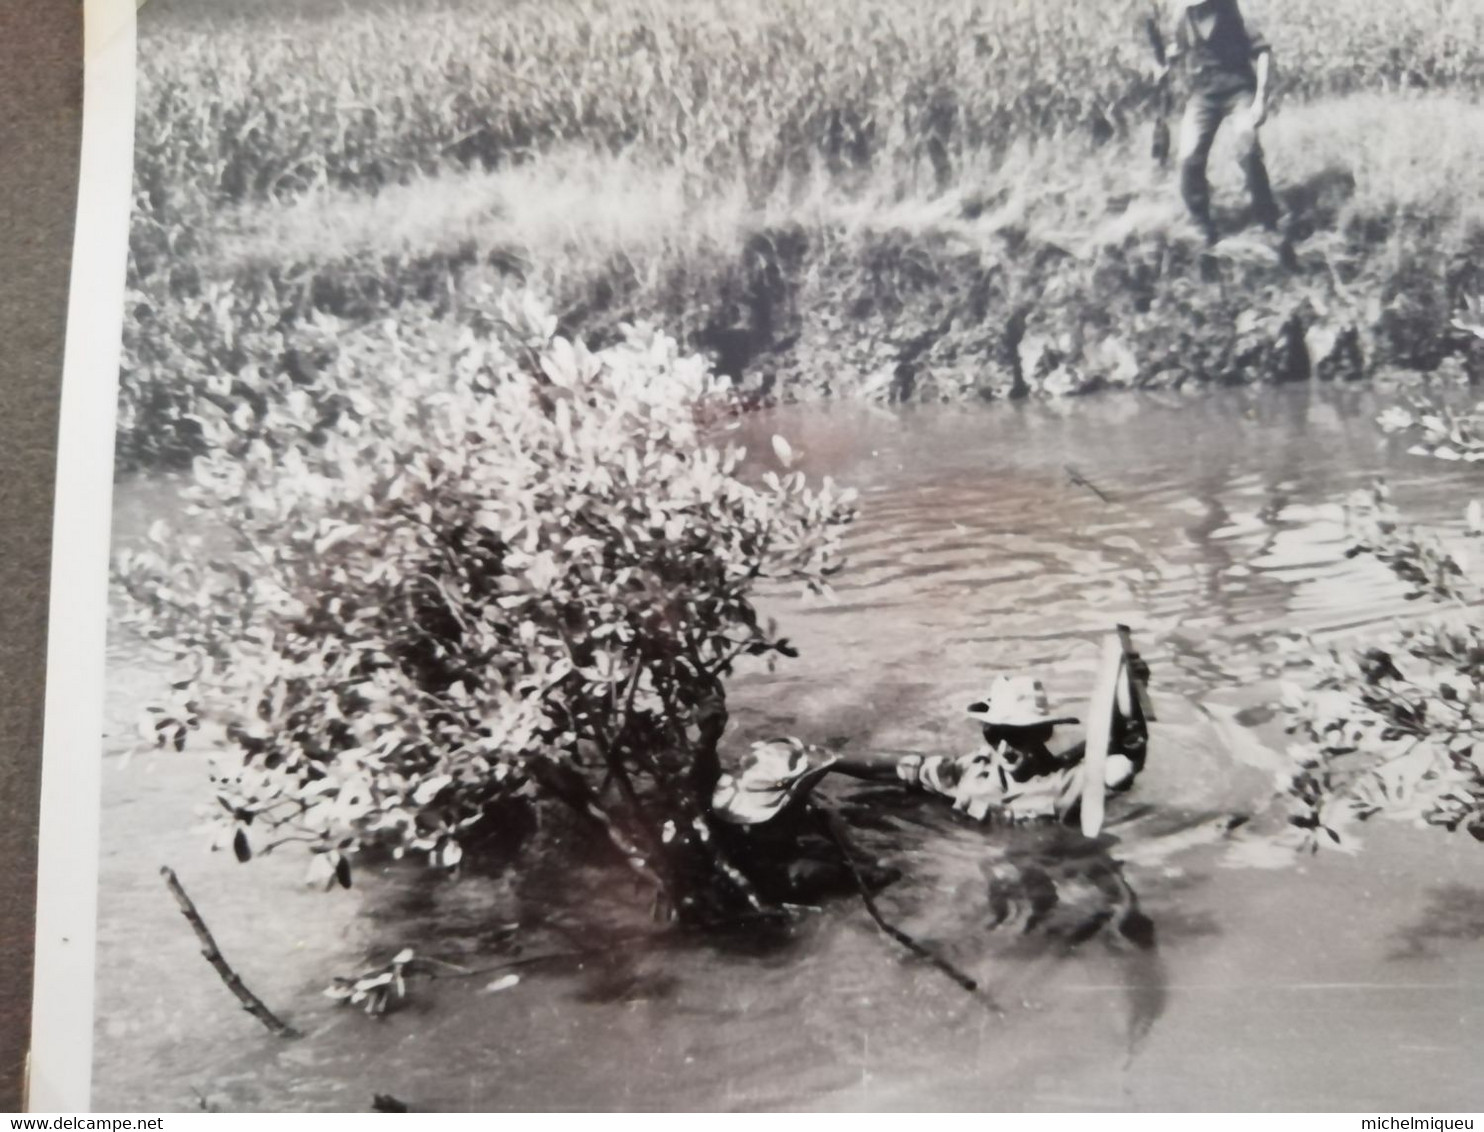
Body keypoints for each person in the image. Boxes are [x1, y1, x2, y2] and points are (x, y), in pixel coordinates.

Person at [711, 670, 1149, 831]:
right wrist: (829, 758)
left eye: (1020, 736)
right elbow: (904, 766)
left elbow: (1117, 772)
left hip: (1028, 841)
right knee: (872, 808)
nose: (1005, 746)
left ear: (1041, 736)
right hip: (954, 813)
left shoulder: (1059, 787)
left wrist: (1123, 748)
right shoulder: (973, 770)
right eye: (997, 734)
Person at [1160, 0, 1281, 245]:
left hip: (1239, 91)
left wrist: (1260, 101)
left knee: (1247, 151)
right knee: (1188, 159)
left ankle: (1268, 223)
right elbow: (1179, 48)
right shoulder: (1183, 15)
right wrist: (1165, 62)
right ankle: (1202, 226)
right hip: (1203, 96)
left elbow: (1264, 52)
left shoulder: (1234, 8)